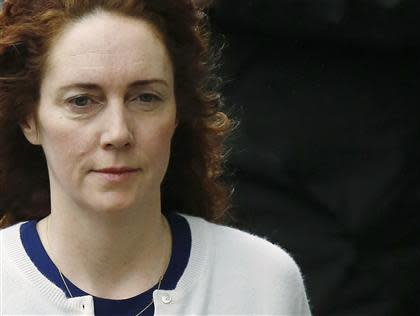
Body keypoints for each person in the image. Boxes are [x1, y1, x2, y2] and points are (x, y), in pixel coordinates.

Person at [0, 0, 311, 315]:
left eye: (145, 98)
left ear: (178, 112)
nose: (118, 132)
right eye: (82, 101)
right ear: (30, 120)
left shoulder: (262, 282)